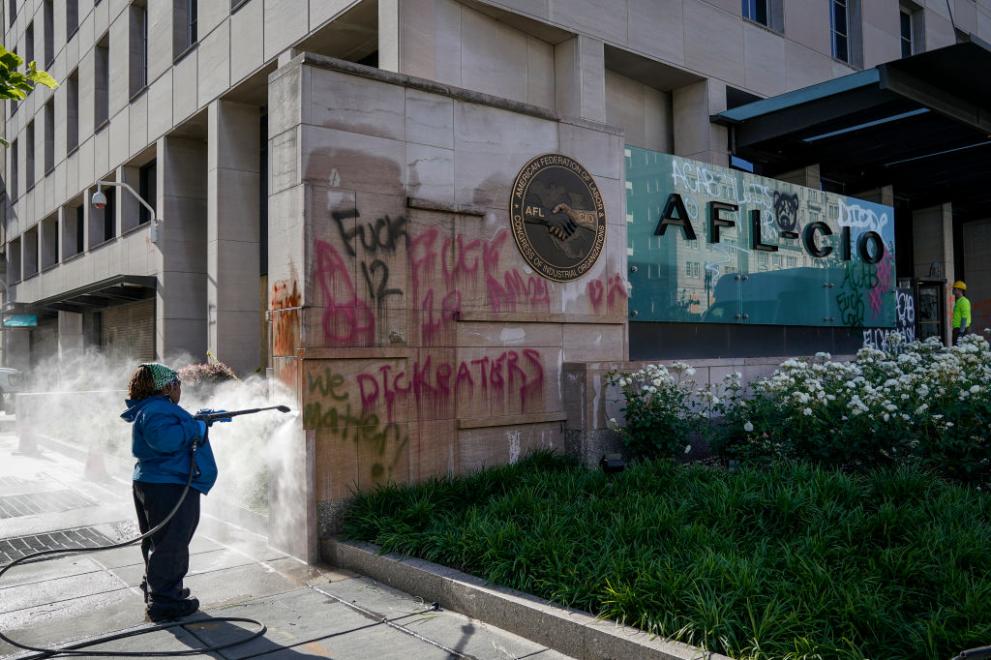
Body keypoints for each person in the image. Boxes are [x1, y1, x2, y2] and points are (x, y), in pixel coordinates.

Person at [121, 363, 221, 622]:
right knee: (172, 543)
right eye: (178, 384)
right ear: (167, 386)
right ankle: (165, 602)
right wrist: (195, 427)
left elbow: (170, 433)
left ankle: (161, 587)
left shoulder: (154, 408)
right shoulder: (156, 409)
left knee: (159, 541)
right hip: (168, 485)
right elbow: (164, 440)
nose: (180, 389)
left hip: (156, 483)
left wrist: (198, 421)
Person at [952, 280, 971, 345]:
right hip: (957, 329)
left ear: (959, 290)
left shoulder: (964, 301)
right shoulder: (958, 301)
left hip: (961, 329)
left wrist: (961, 333)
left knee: (959, 350)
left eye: (954, 288)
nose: (953, 290)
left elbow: (964, 317)